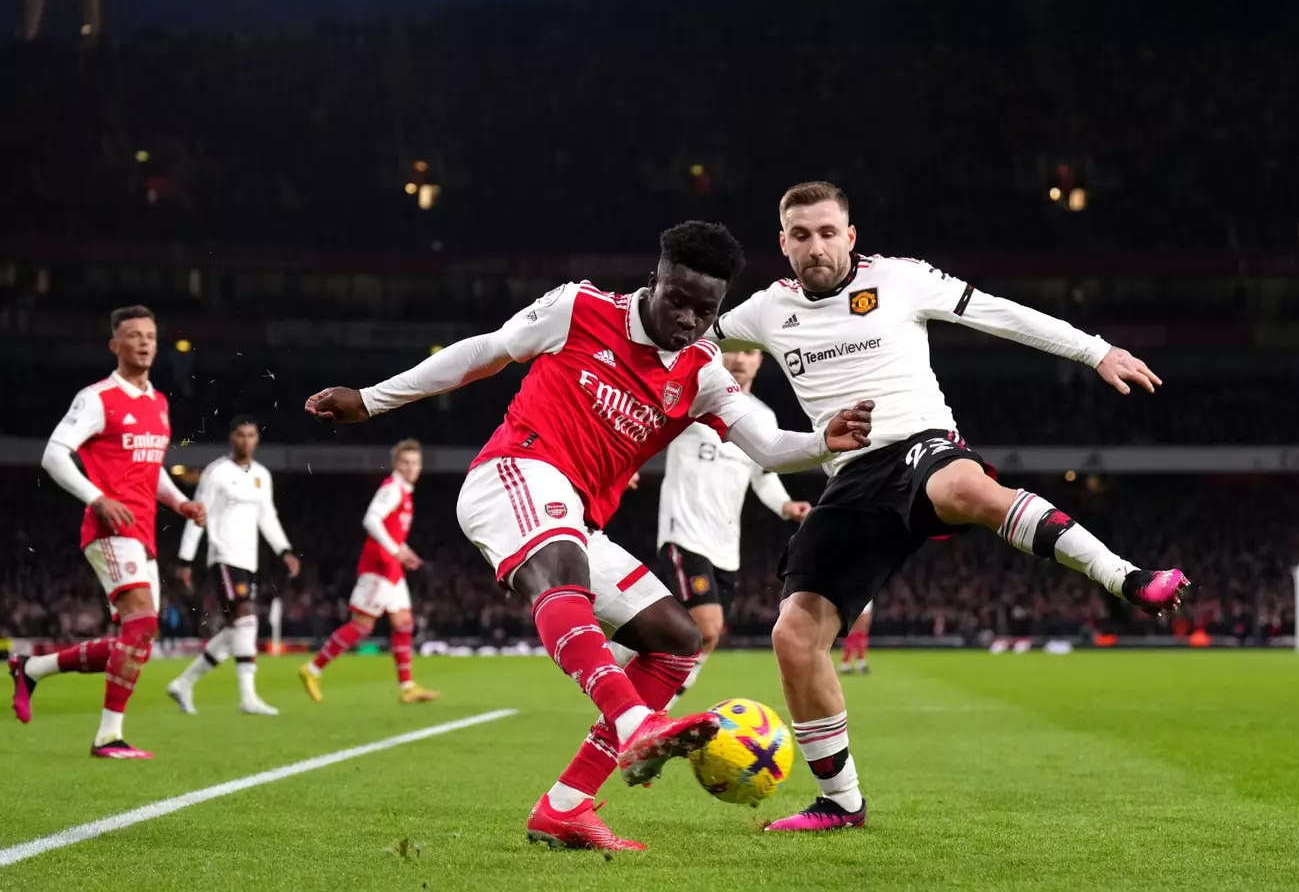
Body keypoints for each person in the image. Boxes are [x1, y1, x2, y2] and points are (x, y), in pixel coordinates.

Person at [305, 220, 873, 851]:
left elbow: (765, 446)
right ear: (653, 279)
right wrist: (373, 399)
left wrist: (824, 439)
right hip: (513, 472)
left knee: (677, 640)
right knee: (565, 567)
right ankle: (635, 722)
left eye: (704, 311)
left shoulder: (702, 373)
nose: (687, 319)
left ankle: (566, 806)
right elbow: (485, 351)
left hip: (574, 518)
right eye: (677, 300)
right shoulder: (580, 307)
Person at [709, 182, 1190, 831]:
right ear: (783, 244)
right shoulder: (764, 311)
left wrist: (1094, 349)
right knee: (794, 637)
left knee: (964, 490)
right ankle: (841, 803)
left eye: (828, 232)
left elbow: (997, 312)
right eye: (801, 235)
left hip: (919, 445)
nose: (815, 246)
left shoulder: (902, 280)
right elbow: (677, 336)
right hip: (848, 477)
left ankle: (1125, 577)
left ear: (851, 237)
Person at [12, 306, 206, 758]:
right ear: (114, 345)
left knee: (133, 640)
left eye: (150, 336)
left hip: (144, 531)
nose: (143, 342)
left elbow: (152, 469)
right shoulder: (97, 397)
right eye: (133, 335)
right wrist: (96, 498)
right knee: (142, 625)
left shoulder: (158, 403)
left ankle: (32, 668)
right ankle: (108, 736)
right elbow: (54, 455)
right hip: (109, 528)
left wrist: (180, 502)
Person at [650, 347, 811, 698]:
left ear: (760, 360)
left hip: (725, 547)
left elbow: (763, 475)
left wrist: (786, 506)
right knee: (707, 627)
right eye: (733, 350)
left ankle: (645, 691)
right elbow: (649, 428)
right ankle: (649, 709)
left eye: (749, 351)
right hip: (684, 531)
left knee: (702, 635)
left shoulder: (763, 418)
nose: (740, 358)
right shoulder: (692, 399)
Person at [167, 415, 301, 715]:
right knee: (247, 618)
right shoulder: (215, 473)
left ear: (257, 439)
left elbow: (267, 517)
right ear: (232, 437)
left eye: (251, 435)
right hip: (224, 555)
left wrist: (285, 550)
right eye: (240, 434)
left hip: (249, 559)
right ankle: (248, 697)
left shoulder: (262, 476)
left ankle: (184, 682)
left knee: (235, 631)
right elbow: (197, 515)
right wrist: (186, 559)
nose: (246, 440)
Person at [298, 439, 439, 704]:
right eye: (406, 462)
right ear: (397, 464)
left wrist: (404, 551)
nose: (411, 468)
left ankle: (407, 686)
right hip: (379, 566)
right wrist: (394, 550)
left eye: (415, 463)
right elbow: (371, 519)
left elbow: (391, 529)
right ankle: (312, 669)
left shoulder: (404, 492)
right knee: (362, 625)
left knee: (403, 623)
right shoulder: (393, 489)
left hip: (392, 565)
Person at [838, 601, 872, 675]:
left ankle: (860, 661)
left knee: (862, 632)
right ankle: (845, 663)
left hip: (865, 597)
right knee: (855, 631)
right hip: (857, 598)